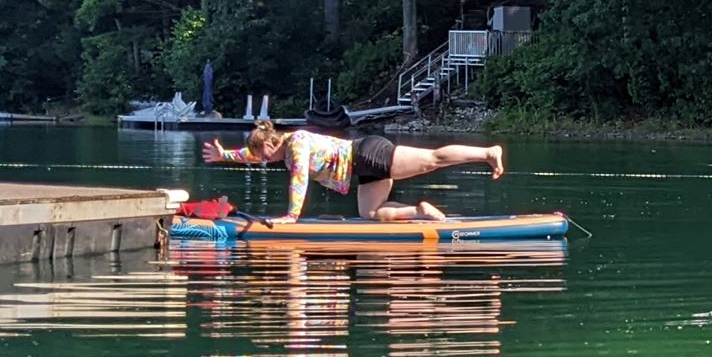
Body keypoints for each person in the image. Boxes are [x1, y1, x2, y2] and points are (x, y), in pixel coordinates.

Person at [205, 120, 504, 222]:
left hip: (367, 153)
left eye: (263, 153)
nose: (261, 159)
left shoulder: (296, 144)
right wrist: (224, 156)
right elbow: (252, 155)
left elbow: (299, 180)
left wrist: (291, 217)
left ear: (273, 142)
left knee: (432, 159)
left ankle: (487, 152)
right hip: (361, 168)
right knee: (370, 214)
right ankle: (419, 211)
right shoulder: (278, 150)